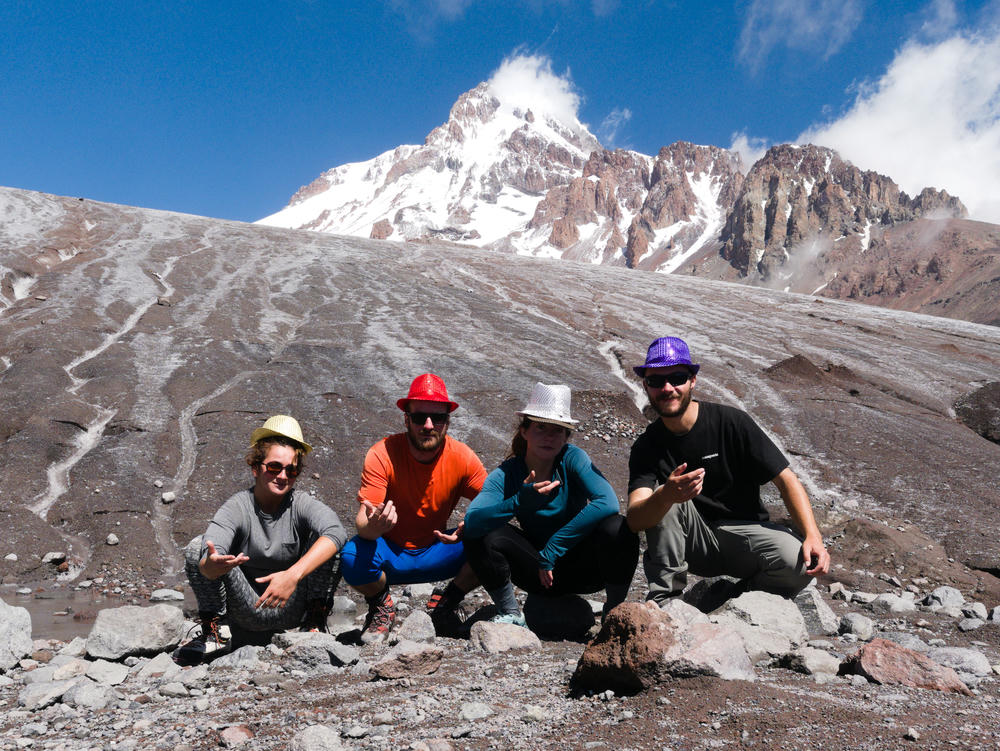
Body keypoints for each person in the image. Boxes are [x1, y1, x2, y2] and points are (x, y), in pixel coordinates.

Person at [626, 336, 831, 605]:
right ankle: (667, 605)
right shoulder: (646, 446)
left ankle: (731, 599)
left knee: (802, 564)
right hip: (693, 542)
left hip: (746, 534)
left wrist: (812, 535)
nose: (667, 388)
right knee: (663, 494)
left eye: (677, 378)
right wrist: (666, 496)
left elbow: (785, 479)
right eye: (656, 381)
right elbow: (635, 518)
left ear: (693, 380)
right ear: (646, 386)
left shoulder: (731, 422)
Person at [463, 383, 639, 627]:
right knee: (480, 531)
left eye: (557, 430)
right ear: (524, 431)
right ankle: (511, 614)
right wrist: (518, 502)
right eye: (540, 427)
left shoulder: (573, 458)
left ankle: (614, 613)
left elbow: (607, 502)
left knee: (618, 527)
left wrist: (553, 549)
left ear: (567, 437)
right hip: (536, 572)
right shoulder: (508, 473)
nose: (548, 436)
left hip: (582, 568)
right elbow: (472, 521)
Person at [175, 415, 346, 664]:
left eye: (292, 470)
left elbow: (336, 531)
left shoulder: (301, 505)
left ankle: (314, 623)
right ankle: (216, 631)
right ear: (256, 468)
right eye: (274, 467)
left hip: (293, 605)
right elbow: (210, 549)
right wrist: (210, 565)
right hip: (247, 608)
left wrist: (292, 575)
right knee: (195, 548)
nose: (283, 476)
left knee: (332, 545)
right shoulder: (238, 506)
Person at [341, 374, 488, 642]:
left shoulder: (462, 457)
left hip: (437, 548)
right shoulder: (382, 453)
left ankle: (446, 603)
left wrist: (474, 521)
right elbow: (364, 520)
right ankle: (382, 604)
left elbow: (492, 501)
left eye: (437, 418)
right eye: (420, 417)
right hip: (390, 551)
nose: (428, 425)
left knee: (494, 540)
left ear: (447, 421)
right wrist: (373, 528)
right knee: (351, 556)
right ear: (406, 418)